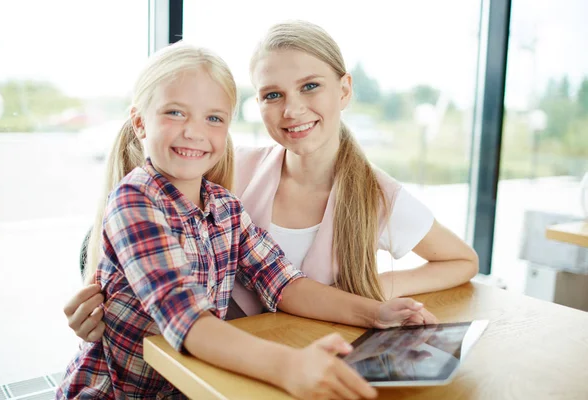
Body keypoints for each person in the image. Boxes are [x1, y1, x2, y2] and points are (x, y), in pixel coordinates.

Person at [57, 41, 436, 400]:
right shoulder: (134, 201)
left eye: (214, 118)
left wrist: (375, 313)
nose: (194, 131)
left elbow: (285, 283)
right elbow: (188, 320)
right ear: (140, 123)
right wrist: (290, 366)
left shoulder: (225, 207)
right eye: (175, 112)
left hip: (193, 386)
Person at [65, 19, 477, 338]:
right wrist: (99, 299)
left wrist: (374, 290)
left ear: (345, 90)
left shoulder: (377, 196)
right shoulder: (226, 171)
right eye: (272, 95)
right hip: (205, 367)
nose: (292, 110)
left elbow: (464, 261)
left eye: (310, 86)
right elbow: (136, 229)